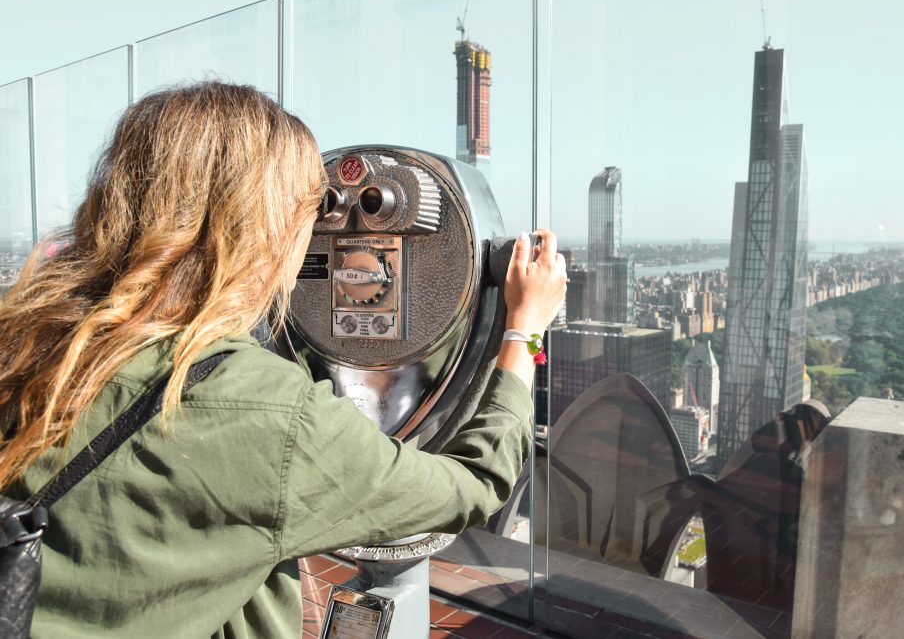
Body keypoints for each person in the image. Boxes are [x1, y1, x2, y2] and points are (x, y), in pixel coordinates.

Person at [0, 82, 567, 638]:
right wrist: (525, 330)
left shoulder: (23, 340)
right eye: (313, 208)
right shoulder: (268, 415)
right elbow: (473, 482)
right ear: (262, 225)